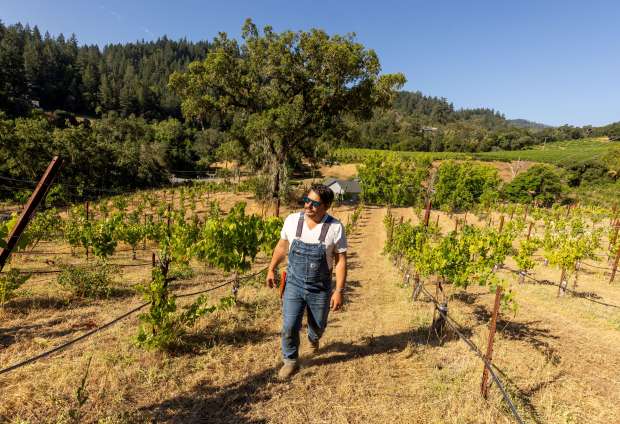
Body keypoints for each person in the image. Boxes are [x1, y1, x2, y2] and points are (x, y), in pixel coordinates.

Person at [266, 184, 347, 380]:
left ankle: (313, 336)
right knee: (289, 325)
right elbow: (281, 246)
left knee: (318, 324)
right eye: (306, 200)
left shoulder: (335, 228)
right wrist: (271, 269)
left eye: (314, 203)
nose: (308, 206)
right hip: (294, 283)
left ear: (326, 206)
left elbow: (341, 261)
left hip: (320, 287)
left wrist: (338, 291)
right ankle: (290, 360)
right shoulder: (292, 220)